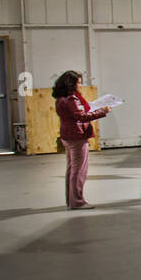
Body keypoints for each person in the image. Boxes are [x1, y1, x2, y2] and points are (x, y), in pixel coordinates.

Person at [52, 70, 110, 210]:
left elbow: (75, 114)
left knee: (71, 169)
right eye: (78, 82)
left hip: (67, 135)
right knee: (79, 170)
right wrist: (102, 111)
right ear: (71, 84)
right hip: (77, 136)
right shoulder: (72, 99)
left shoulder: (60, 98)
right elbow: (82, 117)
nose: (80, 85)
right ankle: (77, 202)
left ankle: (71, 200)